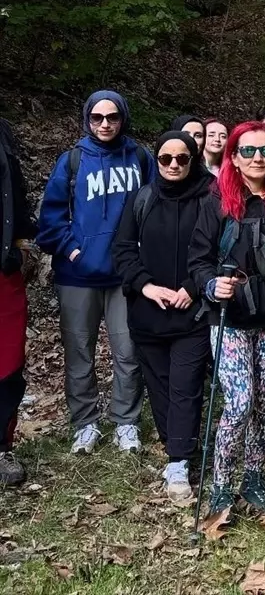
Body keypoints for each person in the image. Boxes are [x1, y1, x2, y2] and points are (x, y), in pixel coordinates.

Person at [189, 121, 265, 517]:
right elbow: (197, 260)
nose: (257, 157)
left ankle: (255, 477)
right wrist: (211, 286)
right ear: (234, 158)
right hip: (230, 318)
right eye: (248, 150)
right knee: (239, 402)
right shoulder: (216, 202)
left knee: (260, 404)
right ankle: (222, 483)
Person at [36, 91, 151, 456]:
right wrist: (73, 249)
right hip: (78, 276)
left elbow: (155, 206)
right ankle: (85, 423)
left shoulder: (140, 158)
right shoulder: (71, 161)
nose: (105, 124)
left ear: (123, 118)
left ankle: (125, 421)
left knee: (128, 351)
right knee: (79, 354)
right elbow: (50, 219)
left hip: (125, 277)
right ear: (87, 118)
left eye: (112, 117)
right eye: (97, 117)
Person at [112, 131, 212, 501]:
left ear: (193, 159)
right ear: (156, 161)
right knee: (159, 385)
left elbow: (221, 247)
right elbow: (122, 250)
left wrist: (192, 286)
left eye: (182, 159)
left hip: (193, 312)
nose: (173, 165)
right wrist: (146, 287)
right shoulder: (143, 198)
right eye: (165, 159)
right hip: (149, 312)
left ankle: (178, 461)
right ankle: (178, 443)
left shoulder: (211, 195)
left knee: (185, 386)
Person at [0, 119, 35, 485]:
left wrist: (23, 244)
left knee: (8, 361)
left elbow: (15, 191)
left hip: (2, 271)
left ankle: (1, 447)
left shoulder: (3, 131)